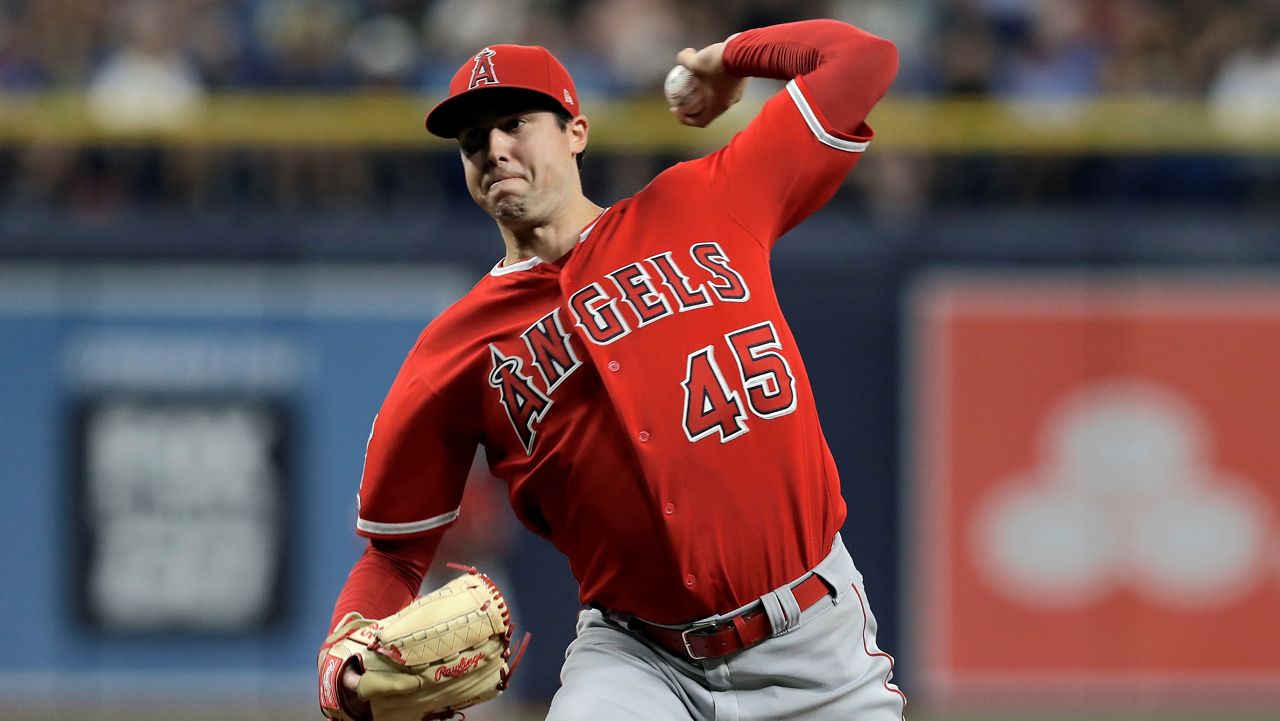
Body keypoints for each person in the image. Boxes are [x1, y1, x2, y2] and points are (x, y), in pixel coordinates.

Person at [322, 17, 903, 720]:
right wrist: (343, 660)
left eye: (514, 123)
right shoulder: (454, 349)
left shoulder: (706, 202)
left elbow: (862, 59)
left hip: (815, 642)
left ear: (577, 131)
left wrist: (727, 57)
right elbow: (393, 554)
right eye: (473, 140)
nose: (494, 149)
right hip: (638, 660)